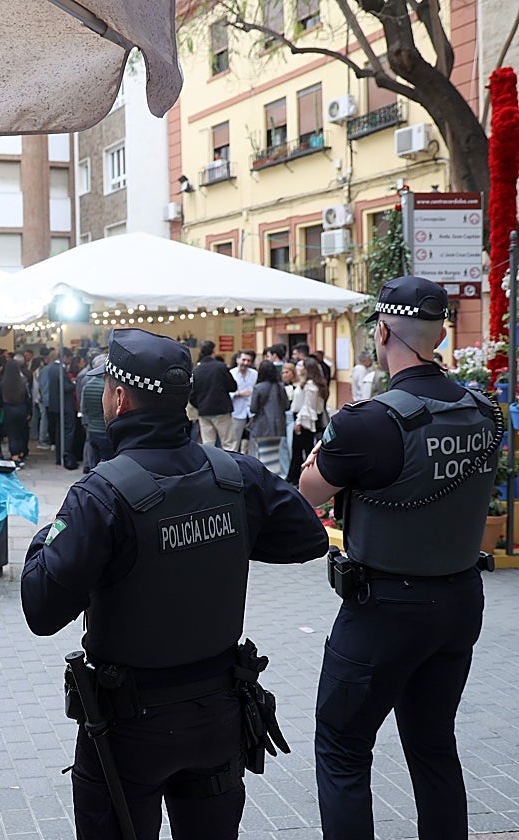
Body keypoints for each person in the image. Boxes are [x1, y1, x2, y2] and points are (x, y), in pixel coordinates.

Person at [22, 328, 327, 840]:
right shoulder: (237, 474)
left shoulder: (100, 495)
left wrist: (47, 538)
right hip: (218, 716)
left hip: (129, 726)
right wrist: (227, 538)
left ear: (117, 398)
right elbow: (308, 537)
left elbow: (42, 609)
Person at [299, 277, 501, 840]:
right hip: (460, 601)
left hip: (383, 609)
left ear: (383, 331)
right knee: (435, 745)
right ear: (438, 334)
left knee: (342, 748)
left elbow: (306, 492)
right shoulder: (484, 410)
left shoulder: (369, 422)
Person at [190, 340, 238, 451]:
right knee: (229, 443)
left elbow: (192, 395)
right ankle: (231, 466)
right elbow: (232, 386)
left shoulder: (196, 371)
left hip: (204, 412)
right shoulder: (220, 367)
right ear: (213, 351)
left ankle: (211, 466)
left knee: (208, 444)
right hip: (222, 410)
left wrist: (201, 405)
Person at [286, 357, 327, 485]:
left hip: (305, 422)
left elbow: (308, 406)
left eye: (301, 366)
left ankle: (298, 478)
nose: (299, 368)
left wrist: (299, 422)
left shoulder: (311, 386)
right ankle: (297, 477)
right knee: (302, 450)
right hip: (306, 420)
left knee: (301, 450)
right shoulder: (311, 383)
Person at [248, 360, 288, 477]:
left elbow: (253, 409)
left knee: (264, 455)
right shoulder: (280, 387)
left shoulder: (258, 387)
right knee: (275, 454)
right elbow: (286, 406)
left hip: (262, 426)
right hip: (279, 427)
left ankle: (266, 480)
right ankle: (276, 477)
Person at [44, 349, 79, 470]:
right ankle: (67, 456)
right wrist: (74, 384)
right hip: (65, 405)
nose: (69, 361)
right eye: (69, 359)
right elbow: (64, 387)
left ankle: (60, 456)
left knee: (59, 432)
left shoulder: (52, 368)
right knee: (68, 431)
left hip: (56, 405)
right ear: (64, 357)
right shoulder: (60, 369)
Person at [79, 353, 110, 471]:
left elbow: (84, 408)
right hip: (104, 429)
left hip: (92, 429)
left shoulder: (87, 385)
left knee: (94, 461)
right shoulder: (106, 387)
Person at [0, 356, 30, 467]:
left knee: (12, 434)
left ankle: (15, 456)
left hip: (9, 409)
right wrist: (28, 411)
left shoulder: (3, 382)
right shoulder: (23, 381)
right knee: (21, 432)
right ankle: (21, 453)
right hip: (21, 408)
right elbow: (27, 396)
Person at [229, 350, 257, 454]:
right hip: (236, 411)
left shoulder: (254, 374)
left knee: (252, 441)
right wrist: (238, 393)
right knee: (234, 441)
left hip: (251, 411)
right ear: (237, 360)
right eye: (243, 360)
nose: (245, 363)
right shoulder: (231, 373)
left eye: (248, 361)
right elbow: (225, 393)